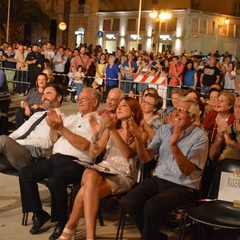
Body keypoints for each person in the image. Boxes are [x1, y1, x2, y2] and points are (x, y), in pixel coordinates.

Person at [57, 97, 148, 240]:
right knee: (91, 174)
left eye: (123, 106)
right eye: (119, 105)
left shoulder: (140, 133)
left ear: (133, 111)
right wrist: (95, 135)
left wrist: (112, 131)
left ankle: (70, 227)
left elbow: (128, 153)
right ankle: (90, 236)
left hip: (122, 175)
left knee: (85, 189)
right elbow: (94, 153)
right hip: (103, 169)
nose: (118, 108)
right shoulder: (112, 129)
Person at [18, 88, 102, 240]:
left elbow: (85, 146)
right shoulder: (71, 118)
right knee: (25, 172)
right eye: (79, 98)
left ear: (95, 102)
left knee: (56, 180)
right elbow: (54, 139)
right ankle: (39, 213)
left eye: (84, 98)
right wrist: (53, 127)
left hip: (78, 163)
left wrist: (61, 128)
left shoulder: (98, 121)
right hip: (56, 159)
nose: (80, 100)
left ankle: (63, 222)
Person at [123, 96, 209, 240]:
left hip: (183, 186)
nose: (175, 113)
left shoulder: (200, 137)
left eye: (181, 111)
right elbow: (146, 158)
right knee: (130, 201)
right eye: (175, 109)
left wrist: (174, 146)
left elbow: (187, 171)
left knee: (152, 206)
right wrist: (138, 138)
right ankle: (155, 237)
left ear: (193, 117)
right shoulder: (164, 129)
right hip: (159, 178)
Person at [0, 84, 63, 171]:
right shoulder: (37, 114)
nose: (44, 97)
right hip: (15, 153)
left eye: (48, 93)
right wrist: (11, 143)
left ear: (59, 98)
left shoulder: (62, 119)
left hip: (31, 156)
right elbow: (19, 131)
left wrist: (16, 143)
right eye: (43, 94)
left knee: (3, 140)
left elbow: (46, 143)